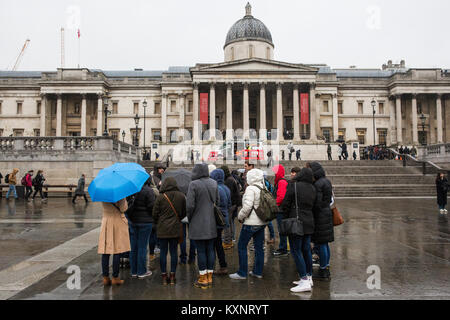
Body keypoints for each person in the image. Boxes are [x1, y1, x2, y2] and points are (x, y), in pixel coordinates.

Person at [281, 167, 317, 292]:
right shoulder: (313, 188)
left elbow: (286, 203)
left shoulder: (294, 186)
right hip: (309, 221)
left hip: (297, 221)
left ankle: (304, 280)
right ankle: (309, 276)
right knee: (306, 249)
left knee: (296, 250)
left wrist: (284, 217)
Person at [229, 169, 267, 280]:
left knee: (241, 246)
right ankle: (257, 271)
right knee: (259, 247)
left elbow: (247, 207)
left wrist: (240, 217)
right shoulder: (262, 187)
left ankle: (242, 272)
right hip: (261, 222)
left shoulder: (250, 188)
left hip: (251, 223)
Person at [186, 163, 219, 289]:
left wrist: (189, 218)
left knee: (200, 250)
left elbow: (189, 206)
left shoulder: (193, 184)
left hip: (197, 222)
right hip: (211, 222)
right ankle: (210, 276)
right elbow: (218, 201)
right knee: (210, 249)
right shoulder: (214, 183)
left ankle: (202, 277)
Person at [153, 177, 186, 284]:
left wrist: (159, 221)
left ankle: (163, 276)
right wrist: (178, 218)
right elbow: (184, 212)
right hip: (175, 228)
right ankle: (172, 276)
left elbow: (154, 214)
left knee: (163, 252)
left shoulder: (160, 197)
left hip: (162, 228)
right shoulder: (181, 196)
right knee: (174, 252)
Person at [309, 162, 334, 281]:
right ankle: (326, 267)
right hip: (326, 213)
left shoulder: (318, 184)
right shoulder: (326, 181)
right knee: (325, 243)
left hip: (320, 216)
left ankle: (323, 270)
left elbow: (317, 203)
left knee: (321, 243)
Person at [127, 178, 155, 279]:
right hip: (145, 222)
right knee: (142, 247)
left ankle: (133, 271)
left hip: (133, 221)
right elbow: (152, 206)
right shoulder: (149, 191)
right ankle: (141, 271)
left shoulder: (132, 189)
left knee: (133, 247)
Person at [98, 198, 130, 286]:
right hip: (117, 222)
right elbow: (124, 209)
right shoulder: (120, 195)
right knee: (117, 250)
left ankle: (105, 277)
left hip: (106, 222)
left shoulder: (103, 193)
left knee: (105, 251)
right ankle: (115, 277)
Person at [210, 169, 231, 275]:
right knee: (218, 243)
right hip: (223, 218)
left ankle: (212, 267)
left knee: (214, 244)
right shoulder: (226, 188)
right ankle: (223, 266)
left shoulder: (216, 188)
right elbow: (229, 204)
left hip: (216, 219)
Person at [221, 165, 241, 249]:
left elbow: (228, 194)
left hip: (231, 204)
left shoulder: (228, 180)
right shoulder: (231, 179)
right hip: (234, 203)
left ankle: (227, 240)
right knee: (231, 221)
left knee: (227, 223)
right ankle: (232, 238)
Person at [272, 165, 289, 256]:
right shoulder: (281, 181)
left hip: (281, 210)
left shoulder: (281, 182)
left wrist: (275, 204)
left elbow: (281, 197)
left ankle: (283, 249)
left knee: (282, 230)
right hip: (281, 209)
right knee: (282, 229)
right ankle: (284, 247)